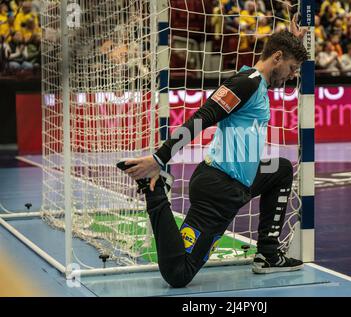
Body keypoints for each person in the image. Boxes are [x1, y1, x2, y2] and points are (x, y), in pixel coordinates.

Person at [120, 16, 308, 288]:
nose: (293, 75)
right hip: (219, 191)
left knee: (279, 169)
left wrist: (293, 43)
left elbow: (282, 56)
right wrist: (160, 158)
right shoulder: (247, 83)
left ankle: (268, 254)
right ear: (277, 57)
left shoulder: (258, 82)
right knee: (178, 274)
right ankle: (154, 192)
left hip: (236, 182)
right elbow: (202, 117)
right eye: (292, 67)